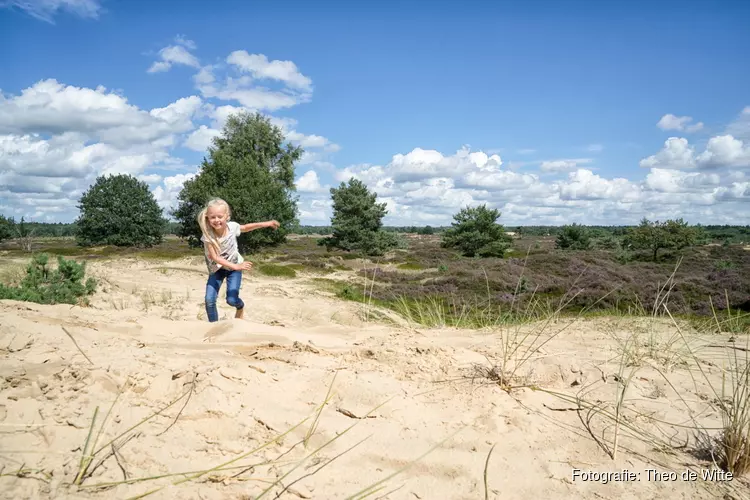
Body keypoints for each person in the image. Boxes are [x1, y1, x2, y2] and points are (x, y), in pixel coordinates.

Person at [197, 198, 280, 322]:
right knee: (209, 300)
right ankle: (213, 327)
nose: (216, 220)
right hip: (217, 269)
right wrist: (236, 266)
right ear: (208, 218)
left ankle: (240, 307)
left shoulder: (232, 227)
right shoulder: (208, 235)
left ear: (227, 216)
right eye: (212, 217)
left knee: (231, 300)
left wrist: (266, 224)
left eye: (220, 216)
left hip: (234, 269)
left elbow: (246, 227)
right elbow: (215, 257)